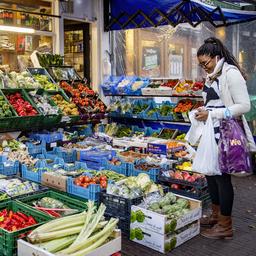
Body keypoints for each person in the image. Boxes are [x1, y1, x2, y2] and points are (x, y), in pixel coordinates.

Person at [195, 37, 256, 240]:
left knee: (222, 177)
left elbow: (244, 106)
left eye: (206, 63)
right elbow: (214, 102)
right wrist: (203, 112)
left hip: (226, 133)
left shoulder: (231, 74)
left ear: (217, 57)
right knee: (210, 174)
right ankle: (215, 215)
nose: (204, 67)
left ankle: (225, 225)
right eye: (201, 64)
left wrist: (213, 114)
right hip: (211, 132)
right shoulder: (212, 75)